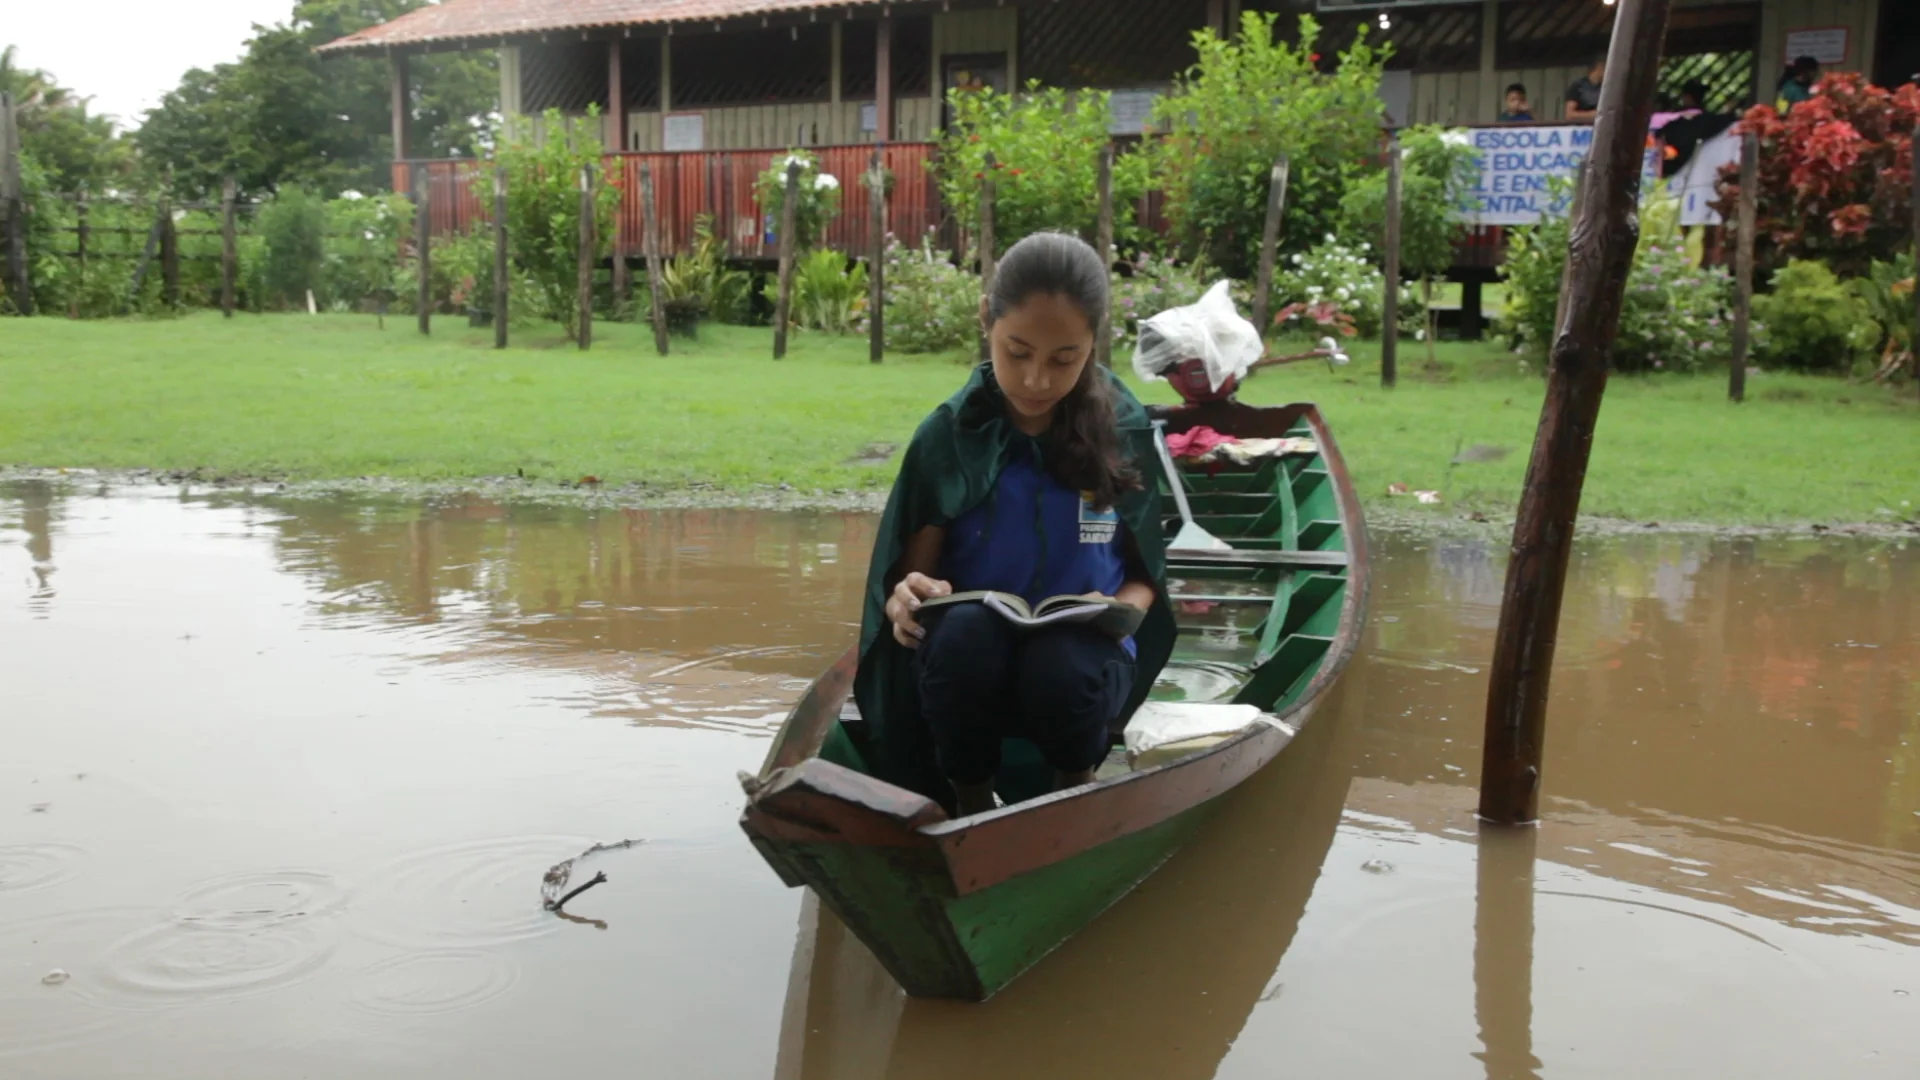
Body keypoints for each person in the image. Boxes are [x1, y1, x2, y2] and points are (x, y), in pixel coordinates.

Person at [855, 233, 1173, 817]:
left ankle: (1071, 791)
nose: (1035, 381)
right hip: (970, 667)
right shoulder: (950, 433)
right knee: (964, 639)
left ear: (1093, 344)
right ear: (987, 323)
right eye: (1016, 352)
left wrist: (1121, 609)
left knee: (1062, 664)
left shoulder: (1123, 427)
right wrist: (907, 600)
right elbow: (912, 580)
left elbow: (1146, 572)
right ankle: (971, 803)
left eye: (1063, 359)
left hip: (1083, 662)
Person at [1565, 55, 1605, 120]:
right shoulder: (1578, 86)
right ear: (1599, 67)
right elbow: (1569, 115)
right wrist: (1591, 115)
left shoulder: (1605, 89)